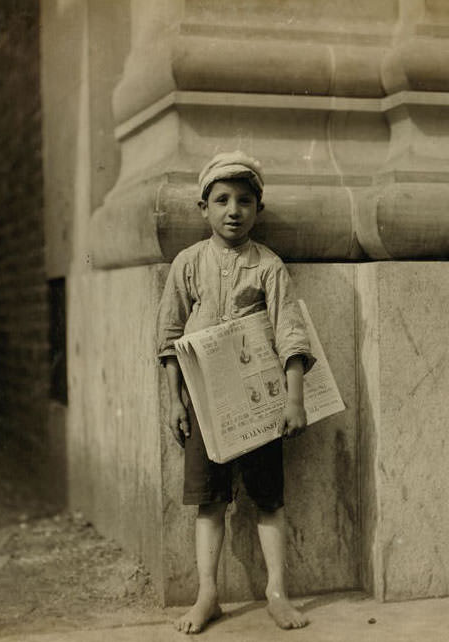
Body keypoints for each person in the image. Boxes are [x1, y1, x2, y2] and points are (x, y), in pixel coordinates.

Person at [156, 151, 315, 634]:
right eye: (221, 200)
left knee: (268, 497)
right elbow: (168, 336)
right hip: (206, 405)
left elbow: (290, 333)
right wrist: (175, 399)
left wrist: (293, 399)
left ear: (258, 210)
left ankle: (276, 592)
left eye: (245, 201)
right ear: (203, 207)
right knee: (209, 499)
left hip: (258, 403)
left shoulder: (268, 266)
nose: (233, 210)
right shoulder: (188, 264)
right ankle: (209, 593)